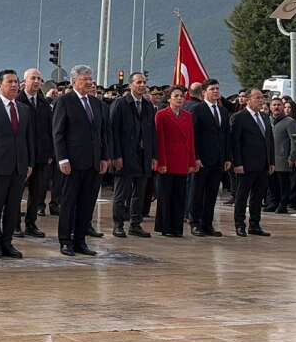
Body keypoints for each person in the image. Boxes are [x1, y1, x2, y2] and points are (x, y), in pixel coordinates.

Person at [52, 65, 109, 257]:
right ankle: (65, 241)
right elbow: (58, 133)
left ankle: (80, 240)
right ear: (74, 81)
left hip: (93, 162)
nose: (90, 82)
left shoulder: (96, 103)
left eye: (90, 78)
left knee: (87, 203)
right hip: (72, 162)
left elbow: (102, 133)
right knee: (69, 203)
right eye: (85, 79)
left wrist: (103, 157)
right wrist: (62, 158)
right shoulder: (64, 101)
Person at [0, 69, 34, 259]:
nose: (14, 85)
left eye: (16, 82)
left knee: (13, 207)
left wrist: (29, 163)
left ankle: (7, 242)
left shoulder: (24, 109)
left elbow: (29, 139)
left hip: (19, 166)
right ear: (0, 85)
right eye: (9, 82)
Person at [108, 72, 157, 238]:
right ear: (130, 85)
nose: (142, 85)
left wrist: (153, 155)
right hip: (125, 155)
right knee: (121, 193)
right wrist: (116, 155)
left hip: (143, 156)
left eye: (144, 82)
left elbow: (152, 132)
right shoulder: (120, 104)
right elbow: (113, 131)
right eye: (138, 82)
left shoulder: (148, 106)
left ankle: (135, 224)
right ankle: (118, 224)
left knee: (139, 194)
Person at [229, 88, 275, 237]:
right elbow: (235, 142)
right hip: (246, 164)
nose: (261, 101)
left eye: (262, 98)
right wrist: (237, 163)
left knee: (258, 196)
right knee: (242, 196)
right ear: (248, 100)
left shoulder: (265, 117)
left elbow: (269, 140)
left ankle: (254, 224)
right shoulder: (239, 117)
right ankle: (239, 224)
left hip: (262, 164)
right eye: (257, 98)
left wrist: (271, 161)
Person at [187, 79, 230, 236]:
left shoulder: (223, 111)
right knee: (197, 192)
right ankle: (195, 223)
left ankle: (207, 224)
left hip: (218, 159)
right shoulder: (197, 109)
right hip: (202, 159)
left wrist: (227, 157)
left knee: (212, 194)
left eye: (217, 88)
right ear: (204, 92)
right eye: (212, 89)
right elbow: (193, 135)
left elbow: (226, 135)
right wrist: (195, 157)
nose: (216, 91)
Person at [16, 67, 53, 238]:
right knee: (16, 192)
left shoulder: (44, 103)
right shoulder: (18, 101)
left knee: (37, 192)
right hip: (22, 154)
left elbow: (50, 130)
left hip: (41, 155)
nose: (37, 82)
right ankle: (14, 224)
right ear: (25, 81)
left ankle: (31, 224)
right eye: (33, 78)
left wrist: (50, 152)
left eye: (39, 79)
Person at [154, 86, 197, 237]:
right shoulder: (161, 115)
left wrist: (192, 162)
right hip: (168, 159)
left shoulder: (187, 116)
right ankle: (165, 227)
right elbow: (159, 140)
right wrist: (161, 163)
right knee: (166, 196)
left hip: (182, 159)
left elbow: (190, 140)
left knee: (180, 195)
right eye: (176, 96)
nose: (180, 98)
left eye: (182, 96)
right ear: (169, 99)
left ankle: (177, 227)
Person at [269, 98, 296, 215]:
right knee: (272, 183)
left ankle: (283, 205)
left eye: (279, 105)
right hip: (270, 159)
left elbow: (294, 141)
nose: (276, 107)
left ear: (283, 107)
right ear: (270, 107)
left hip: (283, 158)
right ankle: (273, 203)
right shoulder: (267, 120)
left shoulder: (290, 122)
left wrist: (292, 157)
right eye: (274, 105)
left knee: (283, 184)